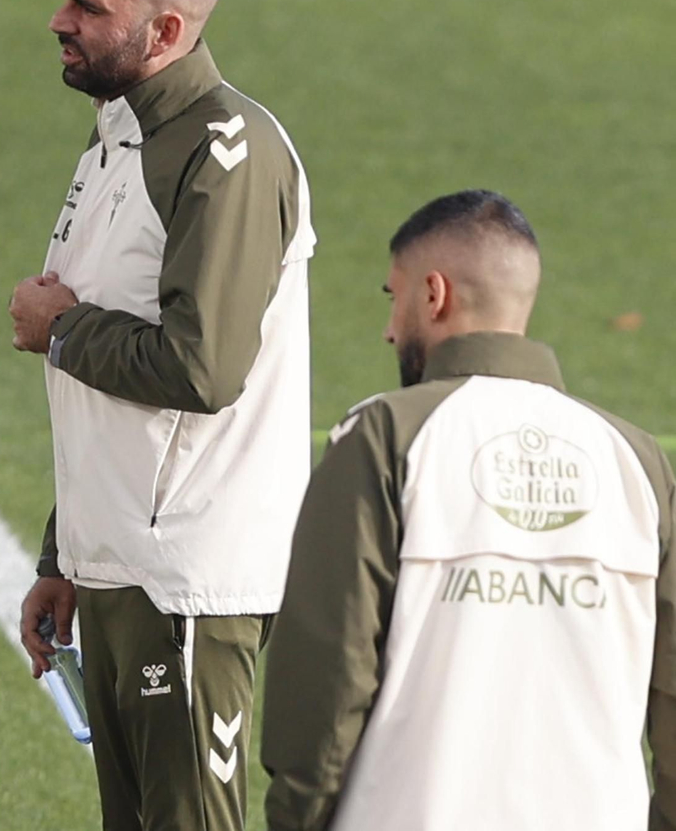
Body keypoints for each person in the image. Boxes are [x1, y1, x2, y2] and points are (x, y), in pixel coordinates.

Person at [9, 0, 315, 831]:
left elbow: (202, 364)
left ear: (166, 32)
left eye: (87, 6)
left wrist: (62, 329)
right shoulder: (115, 140)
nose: (59, 19)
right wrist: (68, 553)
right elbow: (121, 404)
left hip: (188, 580)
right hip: (121, 570)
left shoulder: (229, 153)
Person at [261, 190, 676, 831]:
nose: (390, 328)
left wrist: (300, 817)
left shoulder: (383, 435)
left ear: (434, 295)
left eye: (392, 298)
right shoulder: (639, 462)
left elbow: (328, 672)